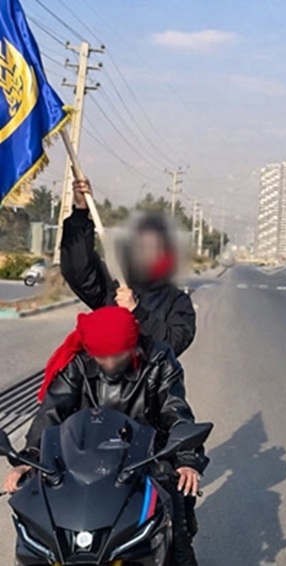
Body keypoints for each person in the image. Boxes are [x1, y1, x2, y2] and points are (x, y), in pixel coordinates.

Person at [2, 306, 207, 566]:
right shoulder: (78, 362)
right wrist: (28, 459)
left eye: (117, 355)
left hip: (146, 452)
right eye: (102, 357)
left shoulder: (159, 360)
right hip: (84, 451)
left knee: (175, 512)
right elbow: (51, 412)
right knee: (42, 505)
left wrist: (187, 459)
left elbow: (175, 410)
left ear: (133, 346)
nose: (110, 363)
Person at [61, 179, 196, 357]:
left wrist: (137, 311)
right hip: (108, 374)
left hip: (150, 375)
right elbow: (79, 271)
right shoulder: (115, 286)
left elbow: (174, 344)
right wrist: (81, 211)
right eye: (139, 246)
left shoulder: (176, 301)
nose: (144, 253)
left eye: (151, 247)